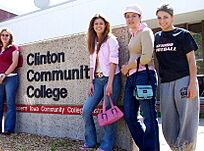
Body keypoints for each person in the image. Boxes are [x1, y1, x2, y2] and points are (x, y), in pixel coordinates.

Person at [154, 4, 199, 151]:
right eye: (159, 18)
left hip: (184, 80)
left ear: (172, 17)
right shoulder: (156, 37)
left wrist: (193, 84)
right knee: (168, 122)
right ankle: (176, 148)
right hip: (166, 83)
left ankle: (186, 148)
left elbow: (192, 61)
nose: (162, 21)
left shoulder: (183, 35)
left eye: (165, 17)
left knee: (187, 119)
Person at [121, 5, 160, 151]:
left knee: (149, 117)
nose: (130, 19)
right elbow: (135, 56)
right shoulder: (133, 34)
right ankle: (146, 147)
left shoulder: (145, 31)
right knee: (130, 116)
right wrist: (128, 67)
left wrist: (127, 67)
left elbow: (146, 58)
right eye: (127, 16)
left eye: (133, 15)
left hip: (145, 76)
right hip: (132, 78)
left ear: (140, 17)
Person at [80, 14, 121, 151]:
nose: (98, 26)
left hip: (111, 79)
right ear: (93, 26)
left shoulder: (111, 40)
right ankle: (90, 142)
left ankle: (106, 145)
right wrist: (91, 82)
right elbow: (92, 64)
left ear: (105, 25)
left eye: (101, 23)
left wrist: (110, 83)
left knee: (108, 111)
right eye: (96, 24)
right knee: (86, 110)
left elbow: (114, 62)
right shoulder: (93, 41)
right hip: (97, 80)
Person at [0, 28, 20, 135]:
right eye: (3, 35)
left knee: (10, 104)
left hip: (11, 78)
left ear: (10, 37)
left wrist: (5, 75)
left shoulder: (14, 48)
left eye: (7, 35)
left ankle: (9, 129)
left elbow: (14, 63)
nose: (5, 37)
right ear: (0, 37)